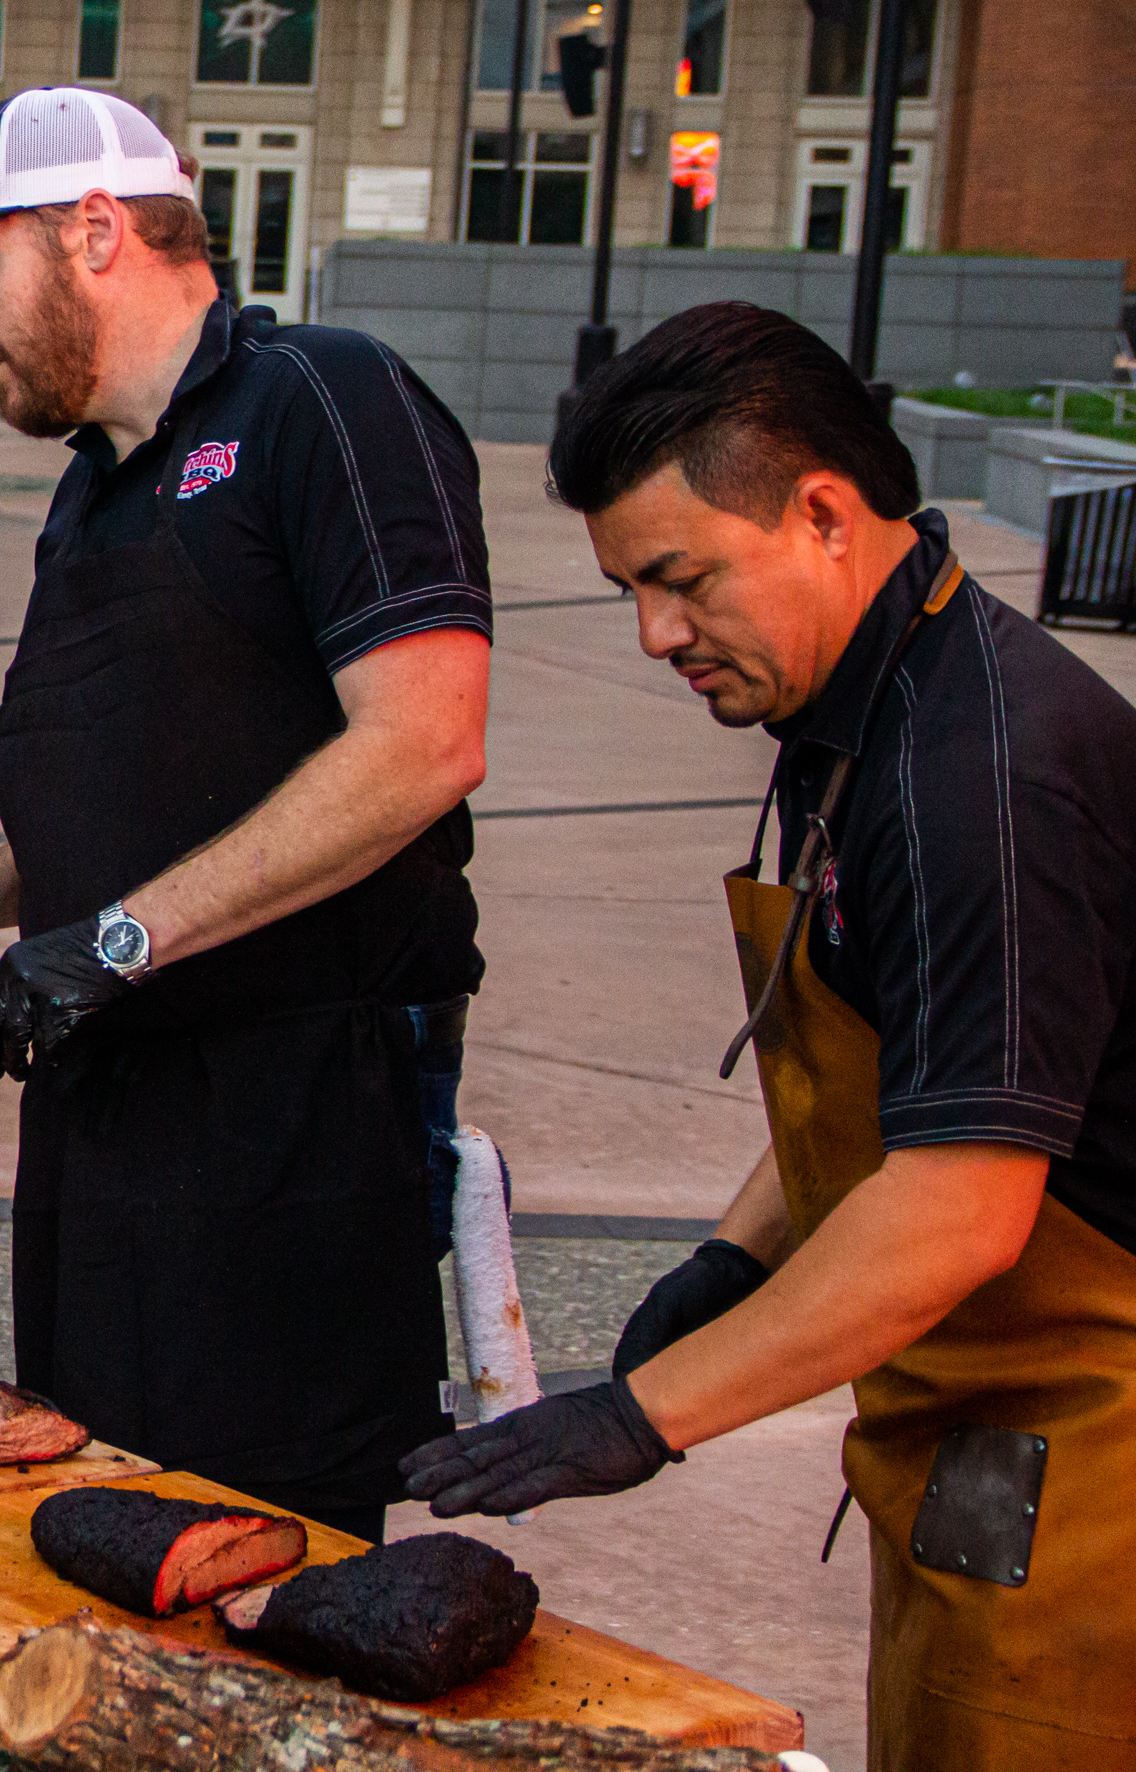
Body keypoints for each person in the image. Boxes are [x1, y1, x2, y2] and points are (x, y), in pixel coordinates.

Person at [403, 302, 1136, 1770]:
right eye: (625, 590)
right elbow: (895, 1074)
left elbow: (958, 1207)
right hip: (968, 1411)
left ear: (821, 514)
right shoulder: (849, 711)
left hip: (1088, 1436)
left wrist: (647, 1416)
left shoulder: (974, 785)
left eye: (679, 580)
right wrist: (741, 1255)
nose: (656, 634)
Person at [0, 89, 491, 1542]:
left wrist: (117, 939)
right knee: (93, 1512)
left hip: (292, 1123)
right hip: (107, 1113)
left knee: (255, 1555)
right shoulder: (95, 490)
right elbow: (158, 782)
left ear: (94, 232)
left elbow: (424, 746)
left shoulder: (327, 399)